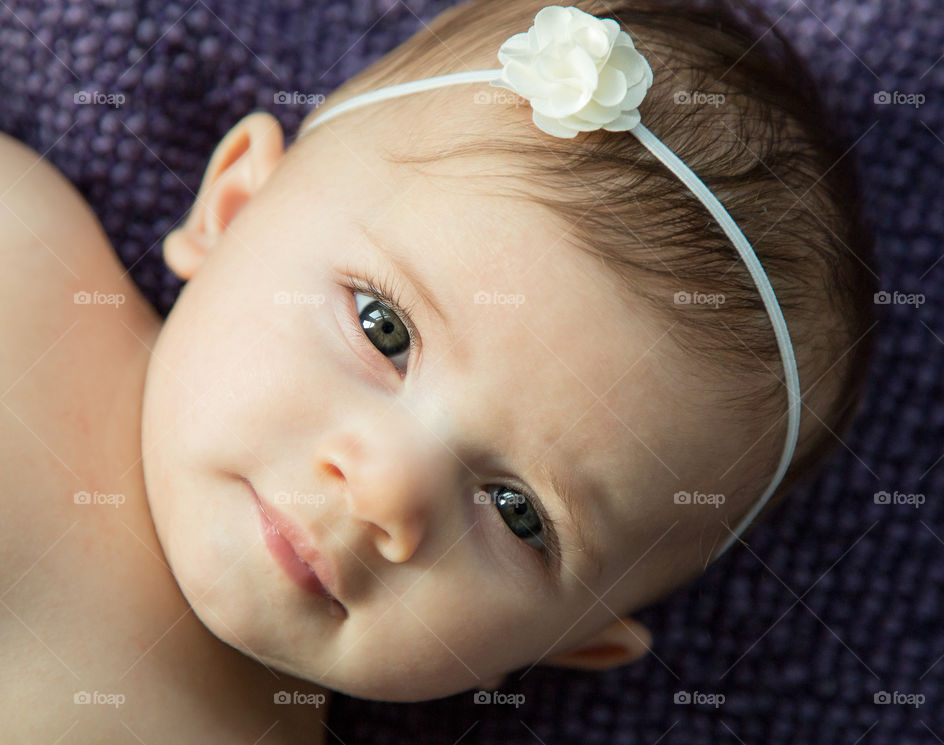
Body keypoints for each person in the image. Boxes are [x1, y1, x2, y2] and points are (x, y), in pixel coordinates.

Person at [0, 0, 874, 740]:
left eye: (517, 510)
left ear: (568, 644)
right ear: (233, 206)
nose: (386, 490)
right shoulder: (24, 259)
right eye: (383, 329)